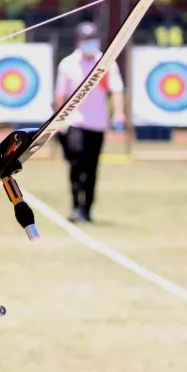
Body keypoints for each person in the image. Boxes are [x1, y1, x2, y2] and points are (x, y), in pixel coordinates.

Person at [54, 21, 126, 223]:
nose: (89, 43)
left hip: (97, 123)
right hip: (75, 122)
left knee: (91, 168)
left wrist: (119, 114)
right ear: (78, 41)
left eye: (92, 39)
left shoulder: (106, 63)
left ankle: (87, 209)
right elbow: (60, 95)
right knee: (76, 163)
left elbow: (116, 90)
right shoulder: (68, 64)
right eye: (86, 39)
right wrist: (59, 120)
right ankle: (76, 205)